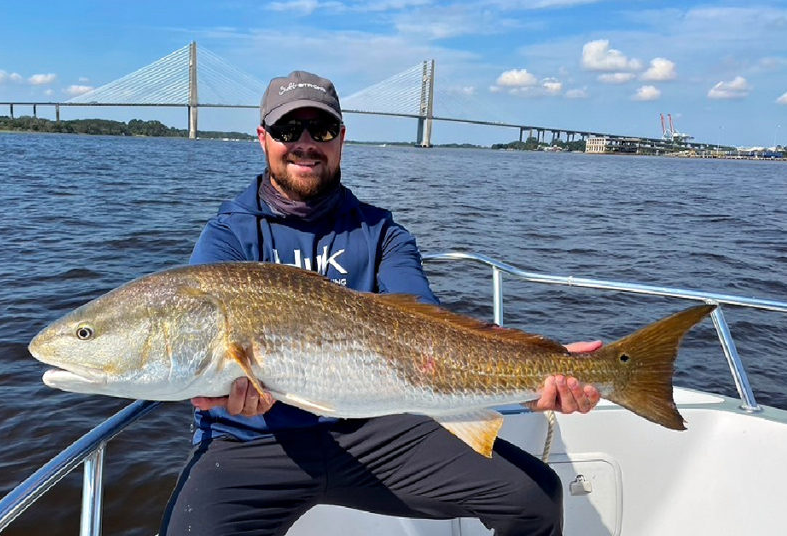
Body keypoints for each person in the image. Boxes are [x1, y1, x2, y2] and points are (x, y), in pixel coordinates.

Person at [160, 70, 602, 536]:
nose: (306, 143)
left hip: (374, 429)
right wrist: (227, 395)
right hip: (251, 440)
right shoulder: (228, 235)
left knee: (535, 496)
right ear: (263, 138)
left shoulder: (382, 233)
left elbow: (433, 337)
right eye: (289, 130)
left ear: (342, 139)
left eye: (322, 130)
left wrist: (544, 367)